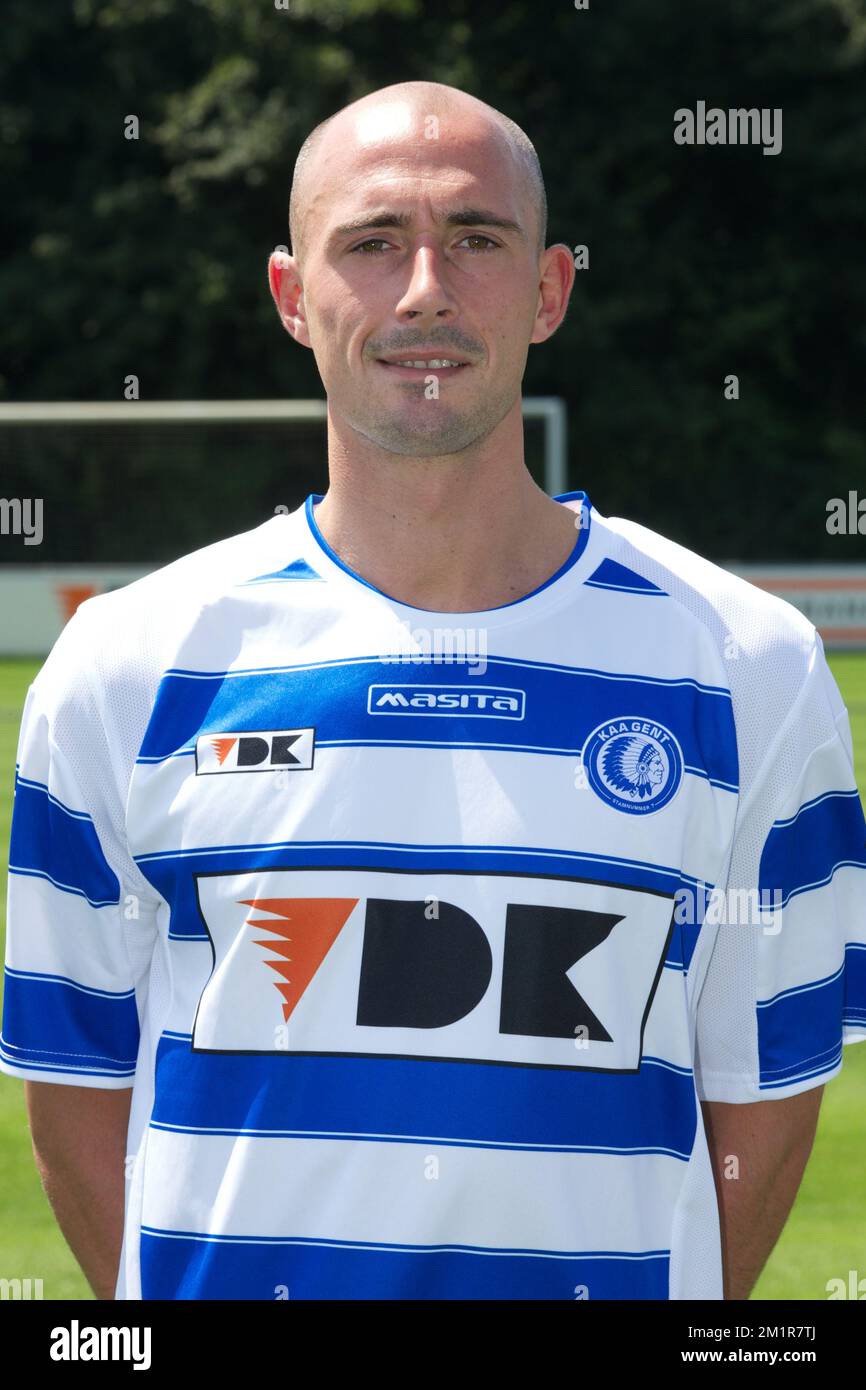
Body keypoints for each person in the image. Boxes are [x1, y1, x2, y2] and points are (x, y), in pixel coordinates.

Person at [2, 80, 864, 1302]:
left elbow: (760, 1103)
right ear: (293, 299)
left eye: (474, 239)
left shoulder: (747, 666)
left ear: (550, 289)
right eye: (370, 243)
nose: (424, 290)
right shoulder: (126, 664)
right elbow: (79, 1094)